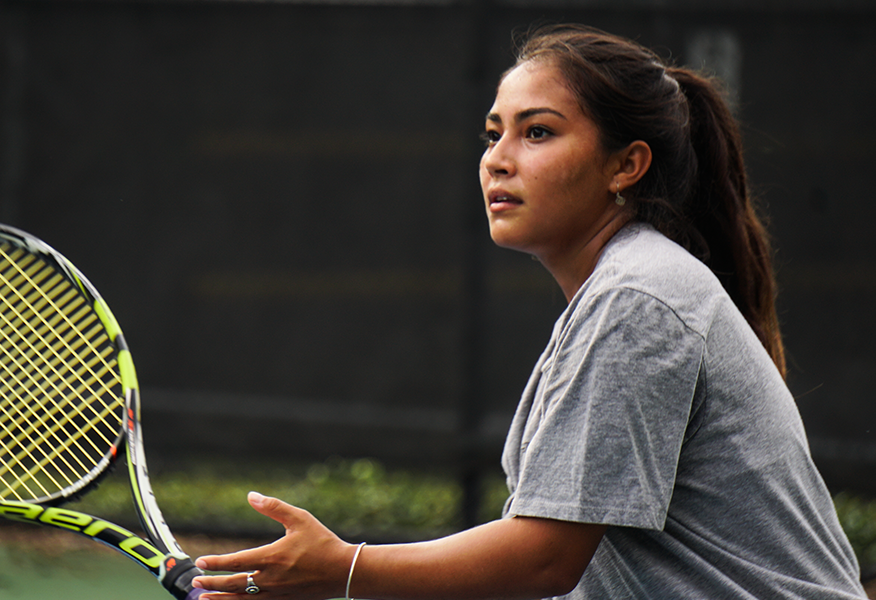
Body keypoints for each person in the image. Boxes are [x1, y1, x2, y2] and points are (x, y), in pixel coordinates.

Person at [190, 24, 868, 599]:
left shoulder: (638, 300)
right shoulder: (627, 289)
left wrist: (347, 569)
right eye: (493, 135)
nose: (498, 161)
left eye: (537, 133)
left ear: (625, 165)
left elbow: (546, 557)